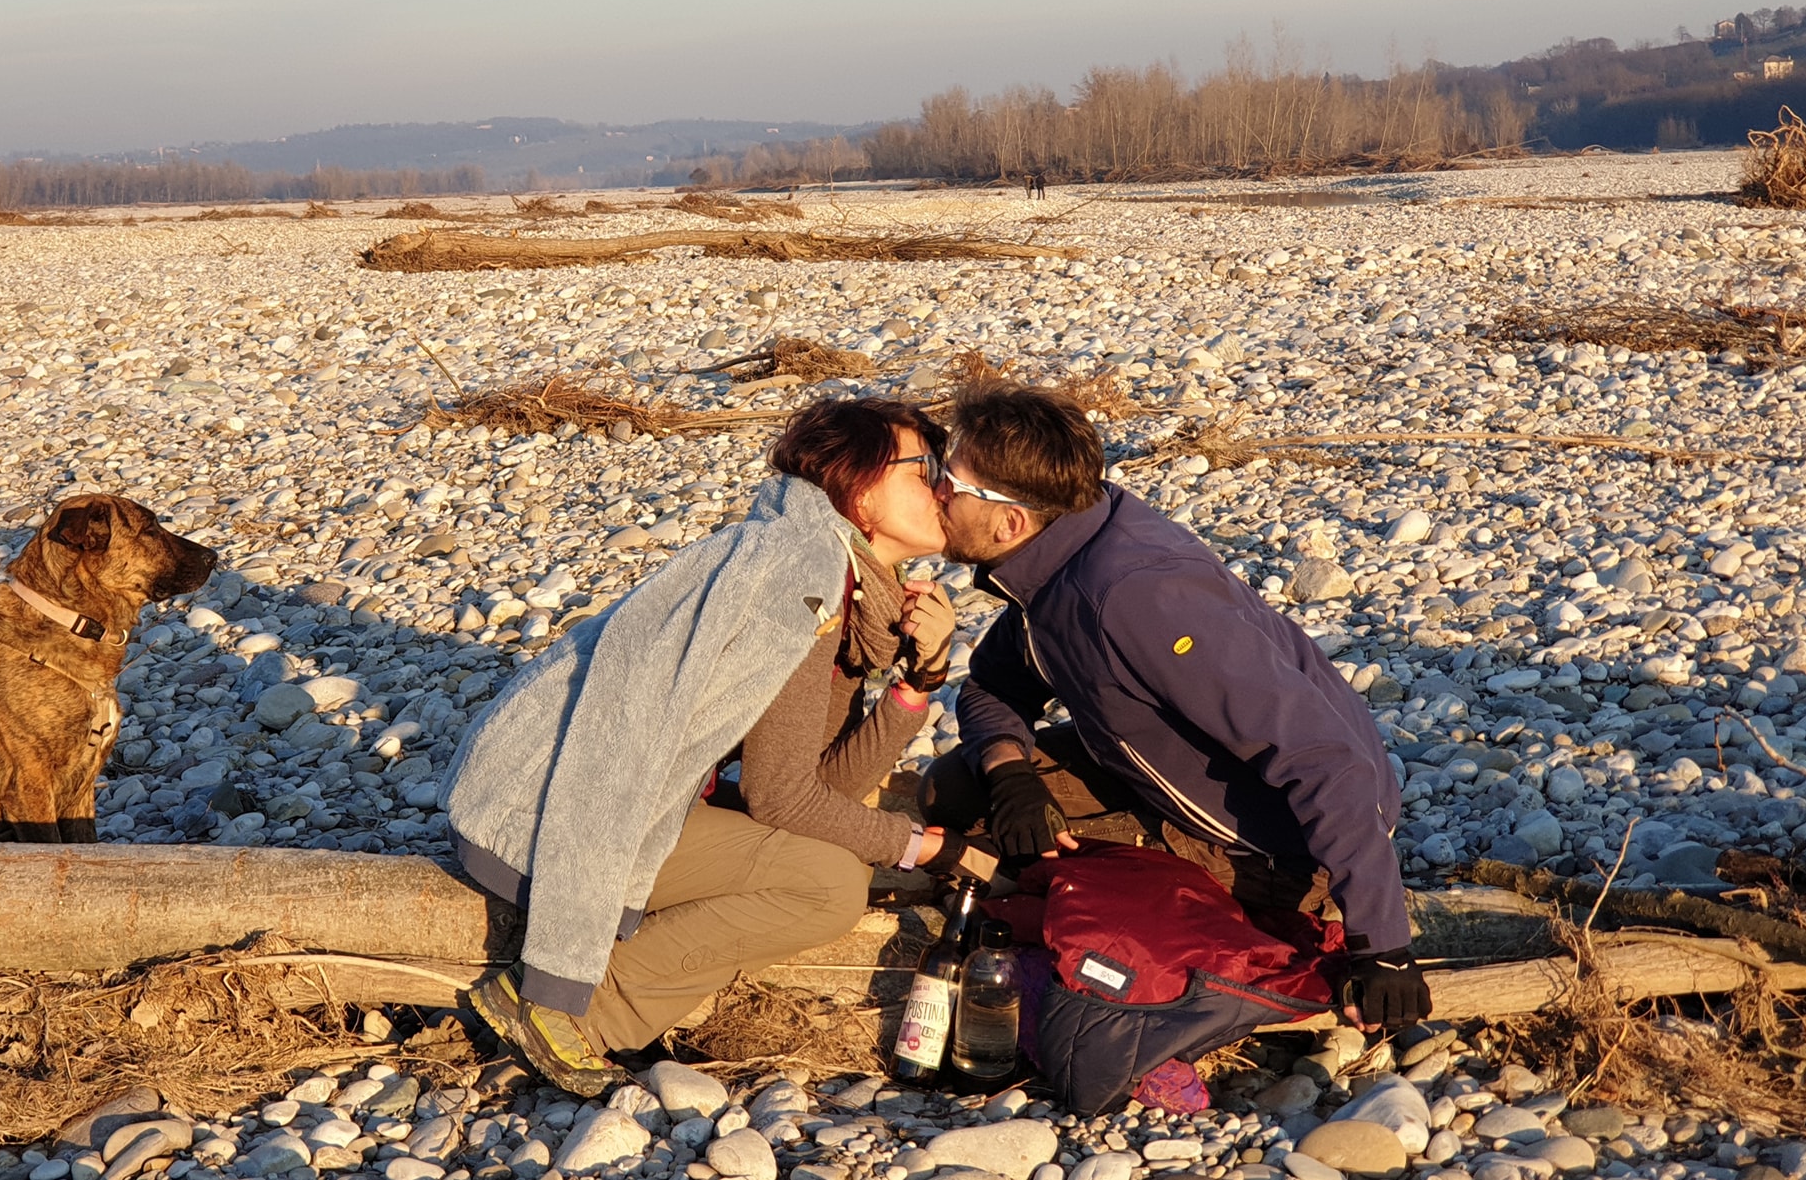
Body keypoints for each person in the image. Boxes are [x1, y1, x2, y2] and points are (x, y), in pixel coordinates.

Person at [441, 398, 962, 1093]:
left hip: (617, 796)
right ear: (857, 483)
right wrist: (924, 846)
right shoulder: (799, 574)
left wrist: (916, 685)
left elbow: (815, 786)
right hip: (549, 807)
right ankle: (568, 1009)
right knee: (829, 884)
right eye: (922, 467)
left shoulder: (838, 579)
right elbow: (781, 796)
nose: (943, 486)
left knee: (833, 862)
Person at [919, 384, 1432, 1031]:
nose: (933, 489)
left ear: (1010, 521)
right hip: (1168, 778)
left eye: (948, 479)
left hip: (1281, 852)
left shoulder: (1135, 599)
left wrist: (1382, 947)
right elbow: (992, 685)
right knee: (960, 788)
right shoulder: (1058, 558)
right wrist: (1010, 774)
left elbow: (1324, 756)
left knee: (982, 854)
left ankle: (1221, 906)